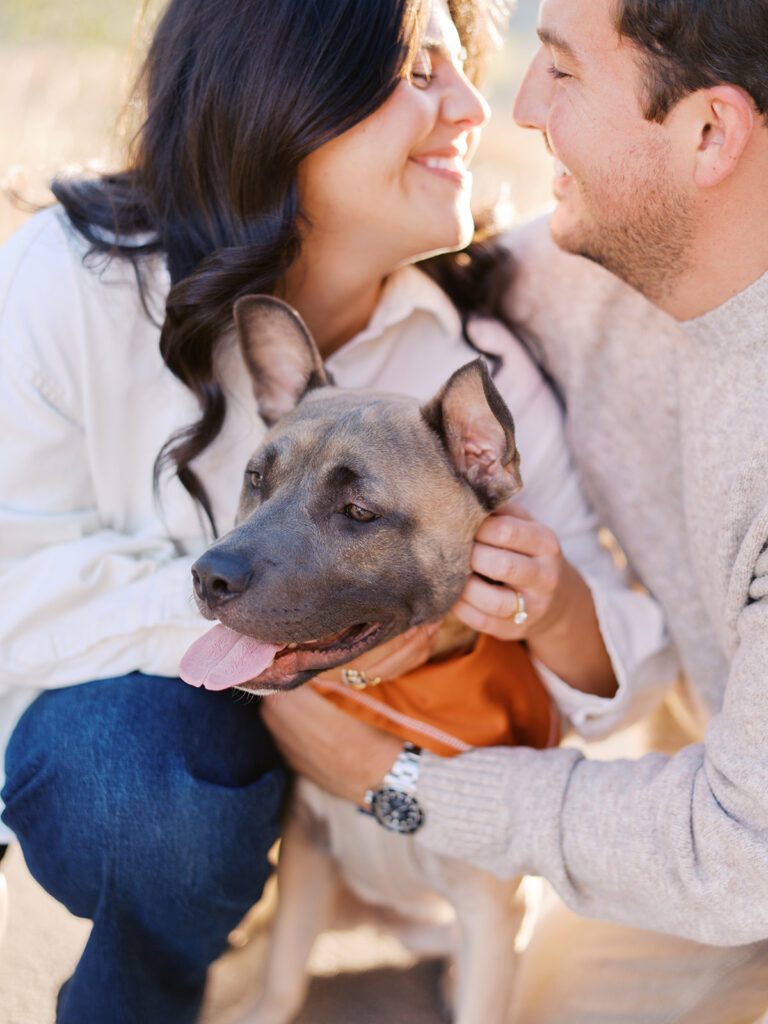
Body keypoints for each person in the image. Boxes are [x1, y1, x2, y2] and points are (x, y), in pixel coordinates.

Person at [0, 0, 673, 1020]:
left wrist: (547, 604)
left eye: (464, 69)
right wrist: (270, 642)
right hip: (137, 750)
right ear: (282, 95)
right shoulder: (71, 283)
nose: (468, 108)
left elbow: (621, 682)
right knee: (136, 769)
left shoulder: (468, 368)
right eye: (417, 72)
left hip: (371, 809)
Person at [262, 0, 768, 1020]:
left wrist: (391, 778)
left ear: (709, 132)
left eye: (565, 72)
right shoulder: (579, 269)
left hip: (738, 843)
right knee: (540, 996)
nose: (520, 107)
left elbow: (741, 849)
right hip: (723, 799)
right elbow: (362, 265)